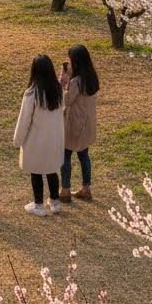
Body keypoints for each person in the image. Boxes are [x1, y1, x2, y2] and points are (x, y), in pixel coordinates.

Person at [13, 54, 65, 217]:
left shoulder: (32, 93)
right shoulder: (57, 90)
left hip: (36, 139)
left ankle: (38, 204)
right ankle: (55, 202)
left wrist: (17, 140)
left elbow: (24, 120)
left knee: (36, 171)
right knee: (51, 169)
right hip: (54, 138)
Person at [59, 44, 99, 202]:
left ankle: (65, 190)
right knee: (84, 156)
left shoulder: (76, 82)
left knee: (66, 156)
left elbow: (67, 101)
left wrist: (63, 84)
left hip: (74, 124)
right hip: (88, 123)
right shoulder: (92, 77)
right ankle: (86, 188)